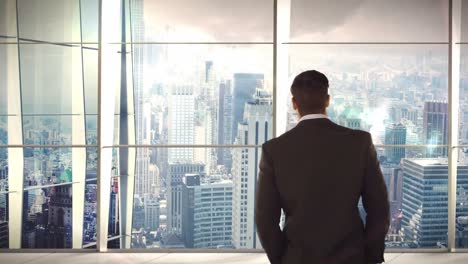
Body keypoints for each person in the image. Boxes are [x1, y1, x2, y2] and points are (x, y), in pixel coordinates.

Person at [255, 70, 390, 264]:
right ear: (327, 100)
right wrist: (370, 256)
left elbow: (265, 219)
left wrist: (283, 259)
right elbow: (379, 209)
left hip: (297, 258)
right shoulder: (360, 142)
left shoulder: (274, 150)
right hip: (351, 257)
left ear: (294, 103)